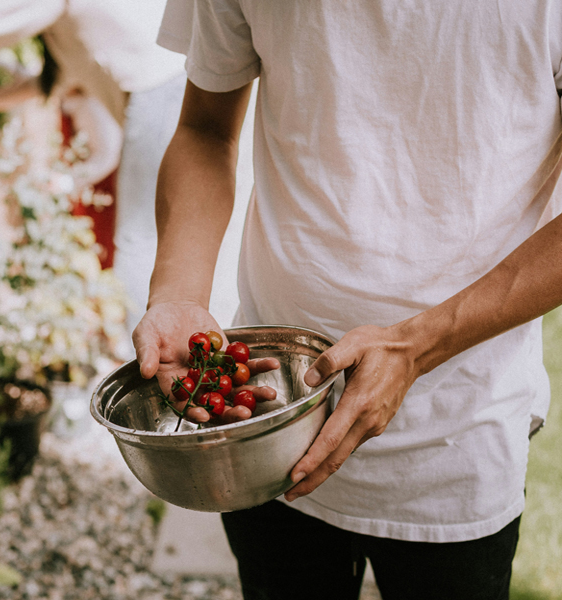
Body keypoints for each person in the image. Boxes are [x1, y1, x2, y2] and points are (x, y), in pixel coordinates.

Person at [133, 2, 562, 599]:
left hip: (455, 434)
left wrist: (415, 347)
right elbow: (205, 126)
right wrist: (179, 291)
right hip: (263, 417)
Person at [0, 0, 187, 334]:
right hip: (167, 86)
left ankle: (151, 367)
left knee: (139, 241)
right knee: (157, 242)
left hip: (161, 90)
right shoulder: (71, 31)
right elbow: (50, 82)